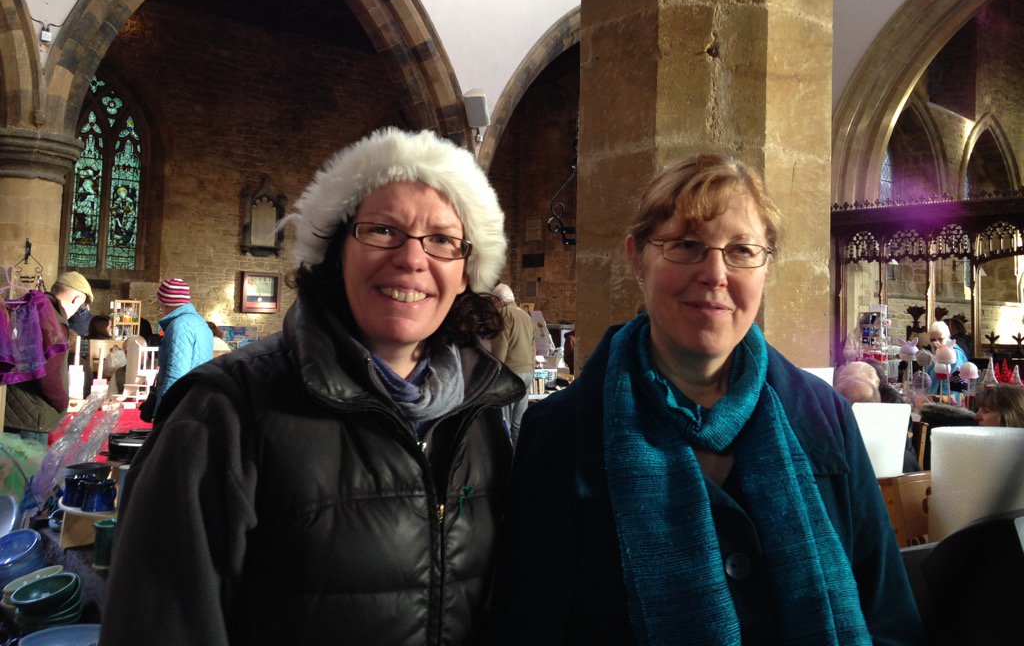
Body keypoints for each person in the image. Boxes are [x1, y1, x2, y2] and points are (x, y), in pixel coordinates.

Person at [102, 128, 522, 646]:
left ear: (465, 273)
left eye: (442, 240)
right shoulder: (225, 411)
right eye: (382, 230)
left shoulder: (483, 411)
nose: (413, 259)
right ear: (336, 249)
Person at [490, 153, 923, 644]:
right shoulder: (562, 430)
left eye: (741, 250)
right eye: (687, 245)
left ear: (765, 268)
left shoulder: (823, 415)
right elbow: (528, 621)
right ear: (637, 259)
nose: (715, 273)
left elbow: (887, 613)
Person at [5, 271, 92, 444]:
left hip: (10, 409)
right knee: (28, 470)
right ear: (77, 300)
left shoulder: (29, 308)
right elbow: (49, 374)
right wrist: (61, 404)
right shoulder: (54, 321)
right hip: (32, 416)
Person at [140, 277, 213, 422]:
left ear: (165, 302)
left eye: (160, 304)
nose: (160, 309)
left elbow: (176, 374)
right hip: (194, 399)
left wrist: (162, 414)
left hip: (179, 406)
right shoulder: (199, 322)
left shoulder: (179, 326)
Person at [489, 283, 535, 446]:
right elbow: (533, 345)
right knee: (518, 424)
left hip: (511, 373)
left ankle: (505, 465)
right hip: (527, 372)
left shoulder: (502, 315)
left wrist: (495, 376)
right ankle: (518, 463)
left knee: (504, 424)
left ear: (497, 301)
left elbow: (501, 348)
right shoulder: (526, 316)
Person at [86, 315, 127, 395]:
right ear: (103, 327)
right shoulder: (112, 343)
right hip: (109, 378)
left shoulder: (85, 341)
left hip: (89, 377)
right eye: (110, 326)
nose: (111, 329)